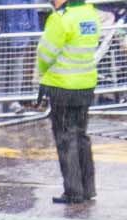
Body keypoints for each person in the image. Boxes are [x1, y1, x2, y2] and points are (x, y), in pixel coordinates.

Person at [35, 0, 99, 205]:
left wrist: (42, 71)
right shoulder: (89, 13)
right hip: (86, 84)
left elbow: (45, 54)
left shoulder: (61, 19)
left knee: (65, 138)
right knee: (81, 136)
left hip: (62, 86)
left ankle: (73, 191)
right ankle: (88, 188)